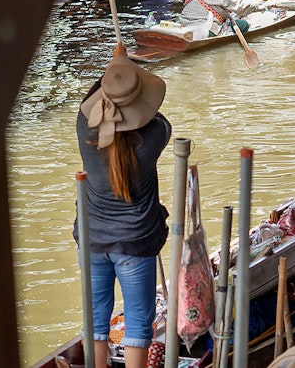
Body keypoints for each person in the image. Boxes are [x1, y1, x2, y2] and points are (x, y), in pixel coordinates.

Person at [76, 51, 171, 368]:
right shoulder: (153, 138)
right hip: (135, 243)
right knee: (138, 324)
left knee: (96, 320)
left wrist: (114, 68)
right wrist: (126, 68)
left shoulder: (84, 129)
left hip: (93, 241)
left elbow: (92, 98)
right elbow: (158, 116)